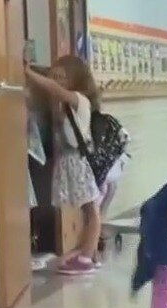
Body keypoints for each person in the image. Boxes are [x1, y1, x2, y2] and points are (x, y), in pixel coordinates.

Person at [25, 55, 103, 275]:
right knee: (87, 209)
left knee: (91, 210)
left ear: (75, 78)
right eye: (55, 76)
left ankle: (86, 258)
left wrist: (29, 73)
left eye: (62, 77)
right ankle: (89, 253)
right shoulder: (64, 104)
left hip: (78, 162)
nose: (57, 81)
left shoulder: (79, 99)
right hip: (71, 161)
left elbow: (53, 89)